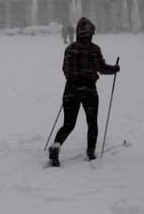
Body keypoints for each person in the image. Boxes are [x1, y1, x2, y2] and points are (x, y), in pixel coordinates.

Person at [48, 17, 120, 166]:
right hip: (89, 90)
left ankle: (56, 146)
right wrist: (114, 69)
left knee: (68, 123)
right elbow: (102, 68)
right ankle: (91, 151)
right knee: (92, 122)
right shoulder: (94, 49)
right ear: (90, 34)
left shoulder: (69, 49)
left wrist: (74, 79)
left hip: (71, 89)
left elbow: (65, 70)